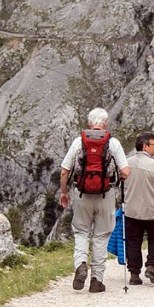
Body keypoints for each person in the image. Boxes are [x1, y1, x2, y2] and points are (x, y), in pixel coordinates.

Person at [59, 107, 130, 293]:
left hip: (82, 195)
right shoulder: (113, 143)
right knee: (101, 236)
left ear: (90, 123)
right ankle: (96, 280)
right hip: (106, 195)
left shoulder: (78, 142)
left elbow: (65, 171)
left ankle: (81, 263)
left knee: (81, 232)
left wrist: (64, 193)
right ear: (105, 124)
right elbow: (126, 172)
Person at [122, 132, 154, 285]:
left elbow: (120, 187)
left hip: (132, 211)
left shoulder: (126, 164)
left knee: (133, 241)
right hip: (153, 212)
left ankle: (134, 274)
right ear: (145, 146)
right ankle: (151, 265)